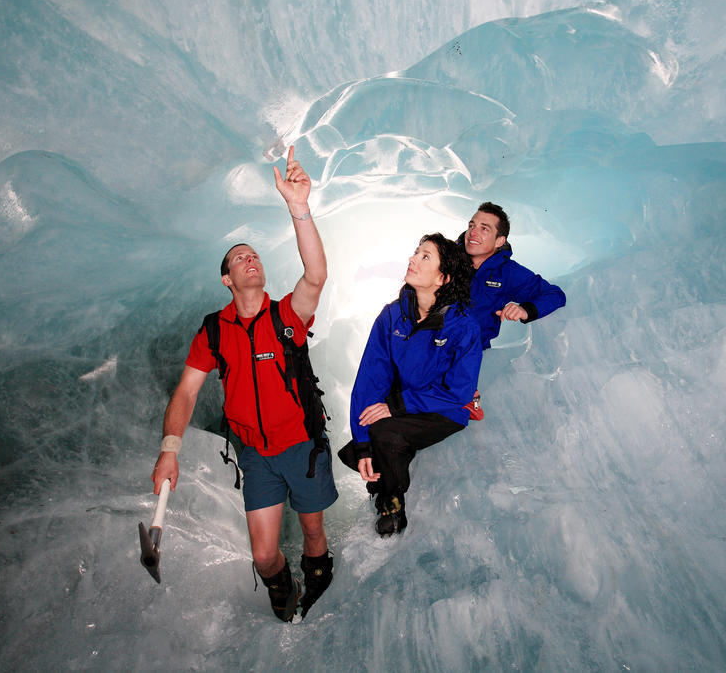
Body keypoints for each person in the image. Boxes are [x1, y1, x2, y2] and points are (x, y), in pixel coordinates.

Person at [150, 147, 337, 622]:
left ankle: (318, 574)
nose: (249, 260)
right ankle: (282, 582)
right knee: (262, 554)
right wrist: (170, 448)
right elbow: (187, 391)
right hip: (256, 455)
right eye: (239, 258)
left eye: (254, 255)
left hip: (301, 445)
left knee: (314, 533)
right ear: (226, 278)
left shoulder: (286, 316)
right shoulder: (214, 331)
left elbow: (316, 274)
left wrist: (298, 207)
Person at [337, 234, 482, 536]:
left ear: (443, 278)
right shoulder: (393, 315)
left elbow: (459, 392)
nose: (412, 259)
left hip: (443, 409)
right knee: (363, 442)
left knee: (386, 433)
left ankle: (392, 501)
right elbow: (369, 380)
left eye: (425, 256)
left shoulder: (463, 325)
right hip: (403, 404)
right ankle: (381, 470)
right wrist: (362, 445)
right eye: (416, 252)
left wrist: (396, 406)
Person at [457, 201, 566, 419]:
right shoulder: (448, 259)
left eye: (484, 228)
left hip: (468, 353)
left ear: (500, 241)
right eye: (472, 225)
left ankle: (466, 398)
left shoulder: (507, 273)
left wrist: (526, 309)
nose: (473, 233)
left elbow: (555, 295)